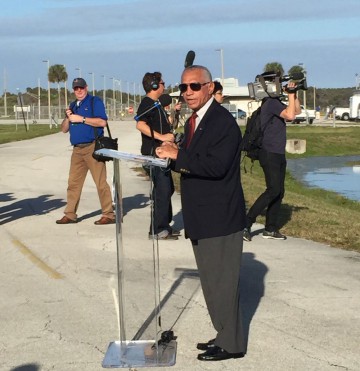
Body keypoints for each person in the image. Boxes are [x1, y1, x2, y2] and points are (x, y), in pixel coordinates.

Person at [156, 65, 247, 361]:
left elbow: (216, 166)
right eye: (183, 87)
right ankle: (224, 334)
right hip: (203, 215)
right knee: (211, 282)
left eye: (194, 86)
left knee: (222, 284)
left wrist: (177, 156)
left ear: (210, 87)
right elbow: (196, 158)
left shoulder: (223, 123)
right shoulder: (197, 120)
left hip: (219, 217)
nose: (188, 93)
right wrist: (174, 151)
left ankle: (232, 344)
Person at [243, 74, 301, 241]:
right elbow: (290, 116)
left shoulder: (274, 103)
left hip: (277, 152)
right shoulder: (270, 103)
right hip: (269, 152)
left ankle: (270, 228)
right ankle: (246, 223)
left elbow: (295, 111)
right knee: (273, 189)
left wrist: (294, 94)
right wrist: (290, 94)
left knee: (279, 191)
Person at [56, 78, 115, 225]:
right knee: (73, 183)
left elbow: (102, 122)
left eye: (81, 88)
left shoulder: (95, 102)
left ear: (86, 87)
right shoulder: (72, 105)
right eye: (76, 88)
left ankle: (108, 214)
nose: (79, 91)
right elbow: (63, 129)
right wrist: (69, 118)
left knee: (100, 183)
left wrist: (81, 119)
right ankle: (70, 214)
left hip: (92, 147)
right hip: (77, 150)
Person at [136, 72, 179, 240]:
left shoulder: (157, 104)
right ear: (154, 85)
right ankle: (157, 229)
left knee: (167, 189)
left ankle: (164, 225)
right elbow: (140, 124)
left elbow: (167, 126)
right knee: (162, 190)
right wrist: (161, 138)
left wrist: (173, 115)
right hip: (153, 155)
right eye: (162, 83)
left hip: (163, 154)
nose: (164, 86)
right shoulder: (147, 103)